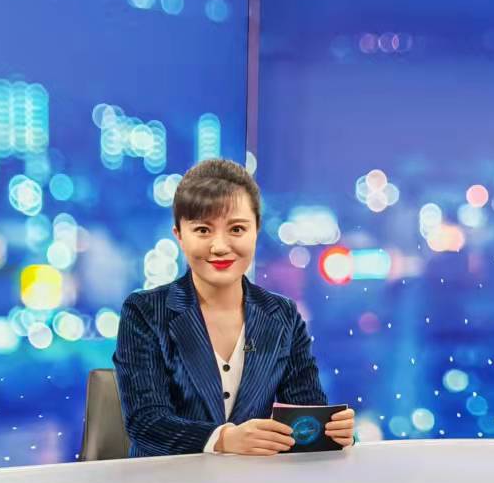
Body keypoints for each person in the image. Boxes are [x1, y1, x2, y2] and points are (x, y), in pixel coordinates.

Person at [112, 158, 354, 457]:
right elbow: (146, 423)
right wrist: (223, 439)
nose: (220, 246)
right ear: (179, 235)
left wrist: (331, 432)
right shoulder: (145, 312)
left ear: (256, 231)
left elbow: (305, 416)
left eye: (237, 229)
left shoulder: (282, 315)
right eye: (203, 230)